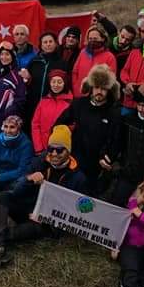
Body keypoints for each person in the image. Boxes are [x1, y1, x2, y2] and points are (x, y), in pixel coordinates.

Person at [0, 125, 86, 274]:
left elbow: (75, 213)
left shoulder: (78, 177)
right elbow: (18, 190)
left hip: (45, 222)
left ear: (68, 151)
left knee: (15, 234)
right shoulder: (40, 161)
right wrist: (29, 179)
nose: (54, 154)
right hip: (28, 208)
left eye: (59, 150)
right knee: (3, 196)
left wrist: (46, 218)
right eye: (51, 149)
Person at [56, 64, 122, 196]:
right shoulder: (79, 104)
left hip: (97, 166)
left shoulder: (113, 112)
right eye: (97, 87)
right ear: (91, 87)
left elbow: (116, 139)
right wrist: (62, 145)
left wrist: (108, 156)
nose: (99, 91)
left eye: (104, 88)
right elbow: (59, 125)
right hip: (75, 159)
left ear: (109, 90)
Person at [24, 32, 65, 126]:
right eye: (45, 42)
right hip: (32, 103)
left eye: (50, 41)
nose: (48, 44)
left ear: (55, 44)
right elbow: (27, 81)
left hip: (52, 104)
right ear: (41, 45)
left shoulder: (62, 63)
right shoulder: (34, 61)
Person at [31, 69, 72, 154]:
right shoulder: (44, 101)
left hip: (60, 151)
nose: (56, 85)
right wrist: (38, 148)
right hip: (42, 149)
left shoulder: (70, 103)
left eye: (59, 82)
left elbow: (72, 127)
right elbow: (35, 124)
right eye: (53, 82)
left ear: (65, 83)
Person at [70, 26, 117, 98]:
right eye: (90, 38)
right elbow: (75, 72)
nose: (92, 41)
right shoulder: (83, 52)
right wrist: (76, 87)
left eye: (95, 39)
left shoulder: (110, 57)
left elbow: (110, 80)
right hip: (79, 95)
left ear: (103, 38)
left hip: (98, 97)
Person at [0, 42, 25, 129]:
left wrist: (6, 114)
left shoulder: (17, 75)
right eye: (2, 54)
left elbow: (20, 100)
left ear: (13, 56)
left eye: (7, 54)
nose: (4, 57)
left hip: (5, 125)